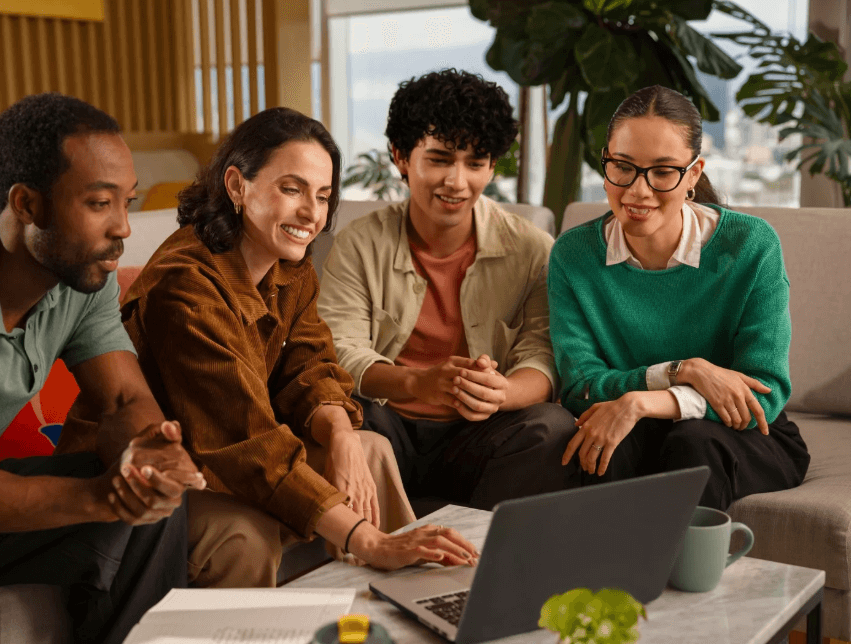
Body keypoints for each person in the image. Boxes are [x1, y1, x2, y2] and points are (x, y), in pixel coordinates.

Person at [98, 106, 478, 585]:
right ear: (237, 186)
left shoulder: (288, 263)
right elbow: (246, 441)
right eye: (291, 189)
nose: (311, 213)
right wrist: (369, 539)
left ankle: (407, 610)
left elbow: (312, 366)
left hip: (231, 461)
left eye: (322, 196)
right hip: (158, 475)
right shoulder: (184, 287)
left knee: (370, 449)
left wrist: (339, 432)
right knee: (245, 533)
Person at [0, 93, 206, 644]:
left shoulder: (80, 282)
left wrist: (147, 459)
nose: (124, 228)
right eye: (101, 204)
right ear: (27, 204)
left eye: (126, 202)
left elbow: (124, 402)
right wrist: (94, 497)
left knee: (152, 508)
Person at [317, 69, 579, 510]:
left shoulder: (532, 249)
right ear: (401, 158)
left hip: (480, 433)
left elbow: (543, 352)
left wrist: (503, 393)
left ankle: (480, 555)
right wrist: (418, 382)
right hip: (389, 421)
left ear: (492, 166)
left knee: (550, 425)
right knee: (344, 415)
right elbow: (338, 349)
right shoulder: (359, 243)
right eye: (439, 159)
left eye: (475, 163)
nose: (457, 182)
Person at [548, 85, 810, 510]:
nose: (638, 190)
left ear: (693, 174)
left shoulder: (750, 245)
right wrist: (682, 371)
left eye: (663, 171)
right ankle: (603, 576)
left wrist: (644, 400)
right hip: (634, 428)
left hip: (740, 435)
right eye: (623, 167)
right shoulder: (573, 255)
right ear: (605, 162)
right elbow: (580, 389)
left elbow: (763, 393)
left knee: (692, 443)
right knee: (597, 446)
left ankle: (685, 577)